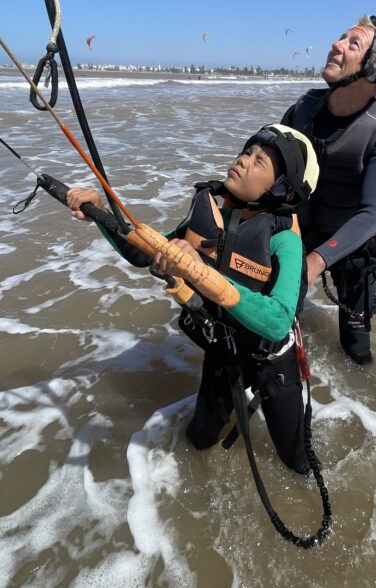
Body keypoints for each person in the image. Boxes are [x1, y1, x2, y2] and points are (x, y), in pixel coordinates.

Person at [66, 124, 320, 474]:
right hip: (225, 352)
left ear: (282, 190)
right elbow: (142, 252)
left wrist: (201, 271)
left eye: (259, 161)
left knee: (298, 461)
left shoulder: (284, 240)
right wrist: (98, 214)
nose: (243, 161)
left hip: (271, 362)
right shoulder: (214, 216)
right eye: (247, 152)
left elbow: (278, 321)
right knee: (199, 440)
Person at [281, 14, 376, 365]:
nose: (336, 45)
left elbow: (371, 214)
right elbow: (268, 171)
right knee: (281, 324)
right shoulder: (303, 109)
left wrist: (315, 262)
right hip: (299, 235)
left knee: (355, 349)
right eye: (340, 38)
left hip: (354, 249)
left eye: (353, 44)